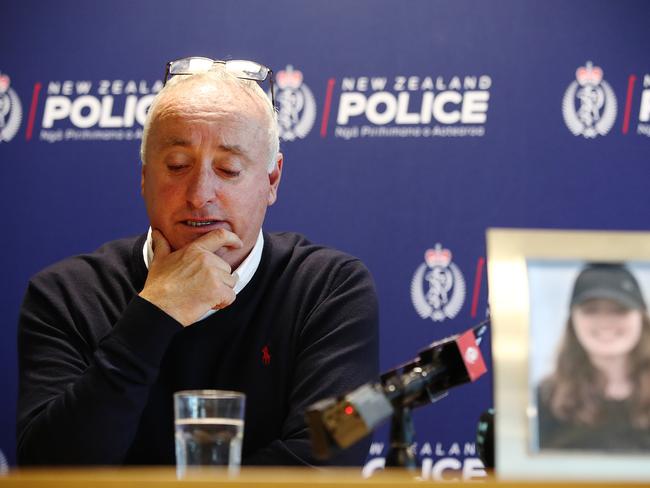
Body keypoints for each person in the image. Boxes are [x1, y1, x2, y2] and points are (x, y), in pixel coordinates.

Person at [16, 57, 379, 466]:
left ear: (271, 180)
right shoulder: (65, 294)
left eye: (228, 169)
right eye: (177, 166)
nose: (199, 194)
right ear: (143, 176)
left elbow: (334, 457)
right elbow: (49, 467)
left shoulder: (333, 289)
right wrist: (156, 312)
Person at [537, 263, 650, 451]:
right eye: (591, 310)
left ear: (642, 318)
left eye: (619, 309)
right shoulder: (544, 400)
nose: (605, 321)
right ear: (572, 321)